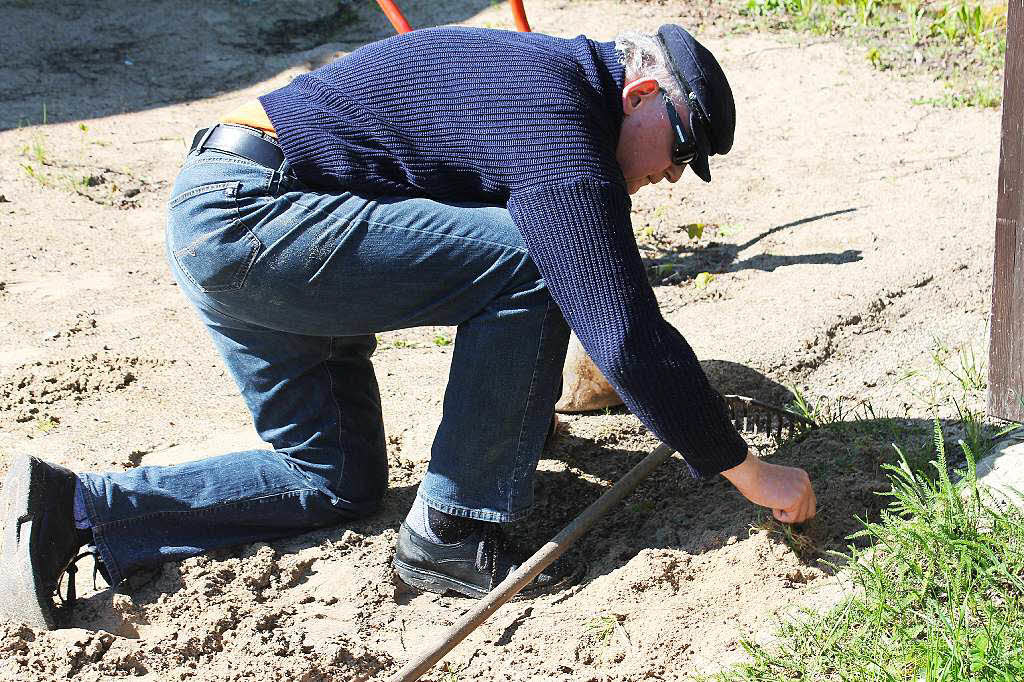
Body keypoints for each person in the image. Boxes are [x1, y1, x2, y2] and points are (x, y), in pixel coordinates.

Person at [0, 24, 816, 630]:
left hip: (230, 219)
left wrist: (532, 420)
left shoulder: (544, 86)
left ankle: (76, 510)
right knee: (534, 258)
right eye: (679, 146)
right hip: (261, 217)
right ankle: (452, 531)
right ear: (640, 96)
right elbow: (626, 329)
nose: (671, 173)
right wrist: (749, 473)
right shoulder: (559, 113)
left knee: (333, 480)